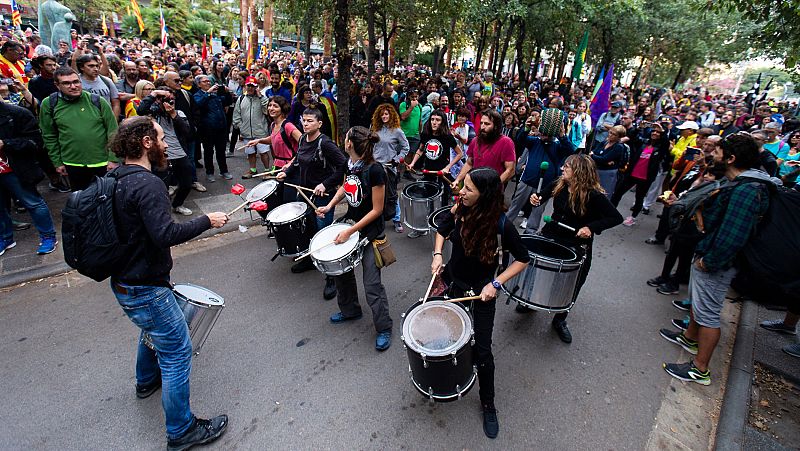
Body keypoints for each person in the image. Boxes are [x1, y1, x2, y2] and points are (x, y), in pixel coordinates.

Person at [107, 116, 229, 450]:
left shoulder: (115, 176)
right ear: (146, 142)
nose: (165, 144)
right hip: (146, 286)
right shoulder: (147, 184)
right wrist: (207, 220)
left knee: (152, 331)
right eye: (161, 138)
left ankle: (146, 381)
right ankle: (181, 431)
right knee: (177, 353)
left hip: (126, 281)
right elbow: (165, 234)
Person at [661, 133, 775, 385]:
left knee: (708, 314)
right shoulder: (739, 183)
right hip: (708, 252)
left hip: (716, 262)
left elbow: (733, 235)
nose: (712, 155)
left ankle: (700, 368)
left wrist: (708, 261)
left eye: (718, 152)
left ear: (732, 158)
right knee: (699, 306)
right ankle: (690, 338)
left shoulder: (747, 190)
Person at [431, 167, 529, 439]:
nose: (461, 191)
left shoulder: (502, 225)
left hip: (482, 292)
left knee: (483, 353)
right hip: (453, 283)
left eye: (468, 189)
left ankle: (488, 403)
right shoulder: (460, 208)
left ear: (484, 195)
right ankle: (451, 374)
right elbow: (443, 229)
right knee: (447, 335)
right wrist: (438, 254)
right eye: (463, 186)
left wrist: (495, 284)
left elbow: (523, 258)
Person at [524, 154, 624, 342]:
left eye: (567, 167)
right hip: (552, 233)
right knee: (540, 271)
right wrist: (535, 199)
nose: (562, 169)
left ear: (578, 172)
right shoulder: (560, 183)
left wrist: (590, 228)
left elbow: (615, 217)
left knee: (574, 281)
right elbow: (541, 195)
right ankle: (531, 303)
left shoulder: (593, 195)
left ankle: (560, 319)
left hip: (576, 242)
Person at [315, 126, 393, 351]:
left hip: (370, 233)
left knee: (372, 285)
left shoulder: (375, 170)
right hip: (351, 224)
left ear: (350, 143)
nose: (344, 138)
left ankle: (384, 327)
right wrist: (329, 205)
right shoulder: (350, 164)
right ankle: (350, 310)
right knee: (342, 272)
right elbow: (345, 187)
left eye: (346, 136)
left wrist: (350, 232)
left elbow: (377, 210)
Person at [277, 107, 346, 300]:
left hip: (323, 196)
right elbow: (298, 160)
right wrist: (288, 172)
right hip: (305, 193)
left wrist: (326, 184)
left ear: (320, 124)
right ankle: (309, 260)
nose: (305, 124)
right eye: (304, 121)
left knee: (323, 235)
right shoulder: (302, 140)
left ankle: (331, 277)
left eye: (310, 121)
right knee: (306, 230)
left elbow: (343, 166)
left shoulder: (326, 144)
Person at [40, 67, 119, 191]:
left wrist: (113, 159)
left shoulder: (97, 101)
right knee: (81, 202)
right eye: (66, 83)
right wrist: (57, 162)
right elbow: (49, 135)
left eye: (76, 82)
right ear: (57, 85)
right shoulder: (49, 104)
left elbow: (113, 131)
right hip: (72, 164)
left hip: (102, 163)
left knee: (108, 200)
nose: (73, 86)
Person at [0, 101, 58, 256]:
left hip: (16, 170)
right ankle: (5, 238)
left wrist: (5, 144)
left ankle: (48, 237)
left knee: (33, 203)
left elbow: (34, 143)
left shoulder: (17, 114)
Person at [506, 112, 575, 233]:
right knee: (515, 206)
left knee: (537, 212)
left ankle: (530, 234)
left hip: (545, 187)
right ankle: (504, 227)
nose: (543, 135)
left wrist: (562, 135)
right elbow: (520, 139)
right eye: (542, 132)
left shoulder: (558, 146)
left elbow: (571, 150)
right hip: (526, 181)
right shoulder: (534, 142)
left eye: (546, 133)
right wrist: (526, 128)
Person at [137, 86, 195, 215]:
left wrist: (173, 115)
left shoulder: (178, 113)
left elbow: (187, 132)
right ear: (159, 101)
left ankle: (178, 204)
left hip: (180, 153)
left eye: (172, 100)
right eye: (167, 100)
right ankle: (161, 210)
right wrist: (154, 94)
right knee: (162, 186)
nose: (170, 102)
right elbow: (140, 110)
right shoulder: (152, 113)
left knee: (187, 182)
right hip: (161, 155)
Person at [407, 110, 463, 237]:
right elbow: (421, 150)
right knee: (428, 199)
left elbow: (460, 153)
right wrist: (412, 163)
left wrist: (448, 167)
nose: (434, 122)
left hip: (442, 173)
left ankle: (442, 230)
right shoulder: (426, 134)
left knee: (443, 202)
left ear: (442, 122)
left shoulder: (447, 136)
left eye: (438, 120)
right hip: (429, 171)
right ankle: (423, 228)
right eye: (432, 119)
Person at [246, 95, 302, 202]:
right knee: (278, 198)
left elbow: (304, 144)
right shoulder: (273, 125)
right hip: (277, 167)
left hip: (290, 169)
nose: (271, 108)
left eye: (275, 106)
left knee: (288, 201)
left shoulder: (288, 126)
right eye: (270, 105)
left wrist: (290, 163)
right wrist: (259, 141)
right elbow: (274, 139)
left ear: (282, 109)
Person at [612, 124, 670, 226]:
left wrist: (662, 130)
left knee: (639, 198)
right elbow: (632, 137)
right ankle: (610, 211)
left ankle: (633, 217)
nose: (655, 133)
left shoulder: (660, 149)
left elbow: (666, 143)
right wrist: (639, 128)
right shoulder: (643, 143)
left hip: (645, 178)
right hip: (632, 174)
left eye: (658, 132)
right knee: (617, 192)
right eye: (654, 131)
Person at [370, 104, 410, 233]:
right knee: (375, 194)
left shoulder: (397, 131)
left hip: (389, 167)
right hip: (375, 166)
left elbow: (406, 147)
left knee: (392, 194)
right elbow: (369, 146)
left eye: (386, 114)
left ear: (391, 115)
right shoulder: (374, 128)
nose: (384, 116)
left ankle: (397, 219)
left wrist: (397, 159)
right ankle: (377, 218)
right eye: (382, 114)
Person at [452, 110, 516, 188]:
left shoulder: (506, 142)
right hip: (475, 188)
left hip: (493, 193)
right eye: (481, 123)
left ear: (496, 126)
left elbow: (510, 170)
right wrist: (457, 180)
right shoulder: (475, 141)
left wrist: (493, 187)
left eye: (487, 124)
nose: (482, 127)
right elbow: (469, 163)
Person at [193, 74, 233, 182]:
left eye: (208, 81)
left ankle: (224, 170)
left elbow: (227, 101)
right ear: (199, 84)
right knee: (208, 151)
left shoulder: (216, 94)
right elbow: (198, 104)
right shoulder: (197, 95)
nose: (208, 83)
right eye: (204, 82)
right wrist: (207, 93)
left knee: (221, 150)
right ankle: (209, 172)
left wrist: (227, 92)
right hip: (207, 129)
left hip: (221, 127)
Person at [234, 76, 271, 179]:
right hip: (246, 132)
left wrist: (261, 97)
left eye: (253, 86)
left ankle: (267, 171)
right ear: (245, 86)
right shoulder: (241, 98)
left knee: (263, 152)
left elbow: (267, 111)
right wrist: (240, 127)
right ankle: (252, 170)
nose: (250, 88)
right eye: (248, 86)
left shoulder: (262, 98)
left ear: (256, 87)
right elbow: (237, 114)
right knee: (250, 153)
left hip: (260, 132)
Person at [75, 54, 121, 118]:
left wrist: (113, 121)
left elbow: (116, 103)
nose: (95, 69)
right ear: (81, 67)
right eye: (91, 66)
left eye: (97, 66)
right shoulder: (75, 83)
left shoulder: (107, 81)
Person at [591, 124, 627, 199]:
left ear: (619, 137)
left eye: (614, 134)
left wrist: (595, 156)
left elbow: (603, 159)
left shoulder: (619, 147)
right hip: (597, 170)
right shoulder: (605, 142)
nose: (610, 135)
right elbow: (594, 151)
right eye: (610, 132)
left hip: (607, 173)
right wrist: (600, 159)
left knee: (604, 194)